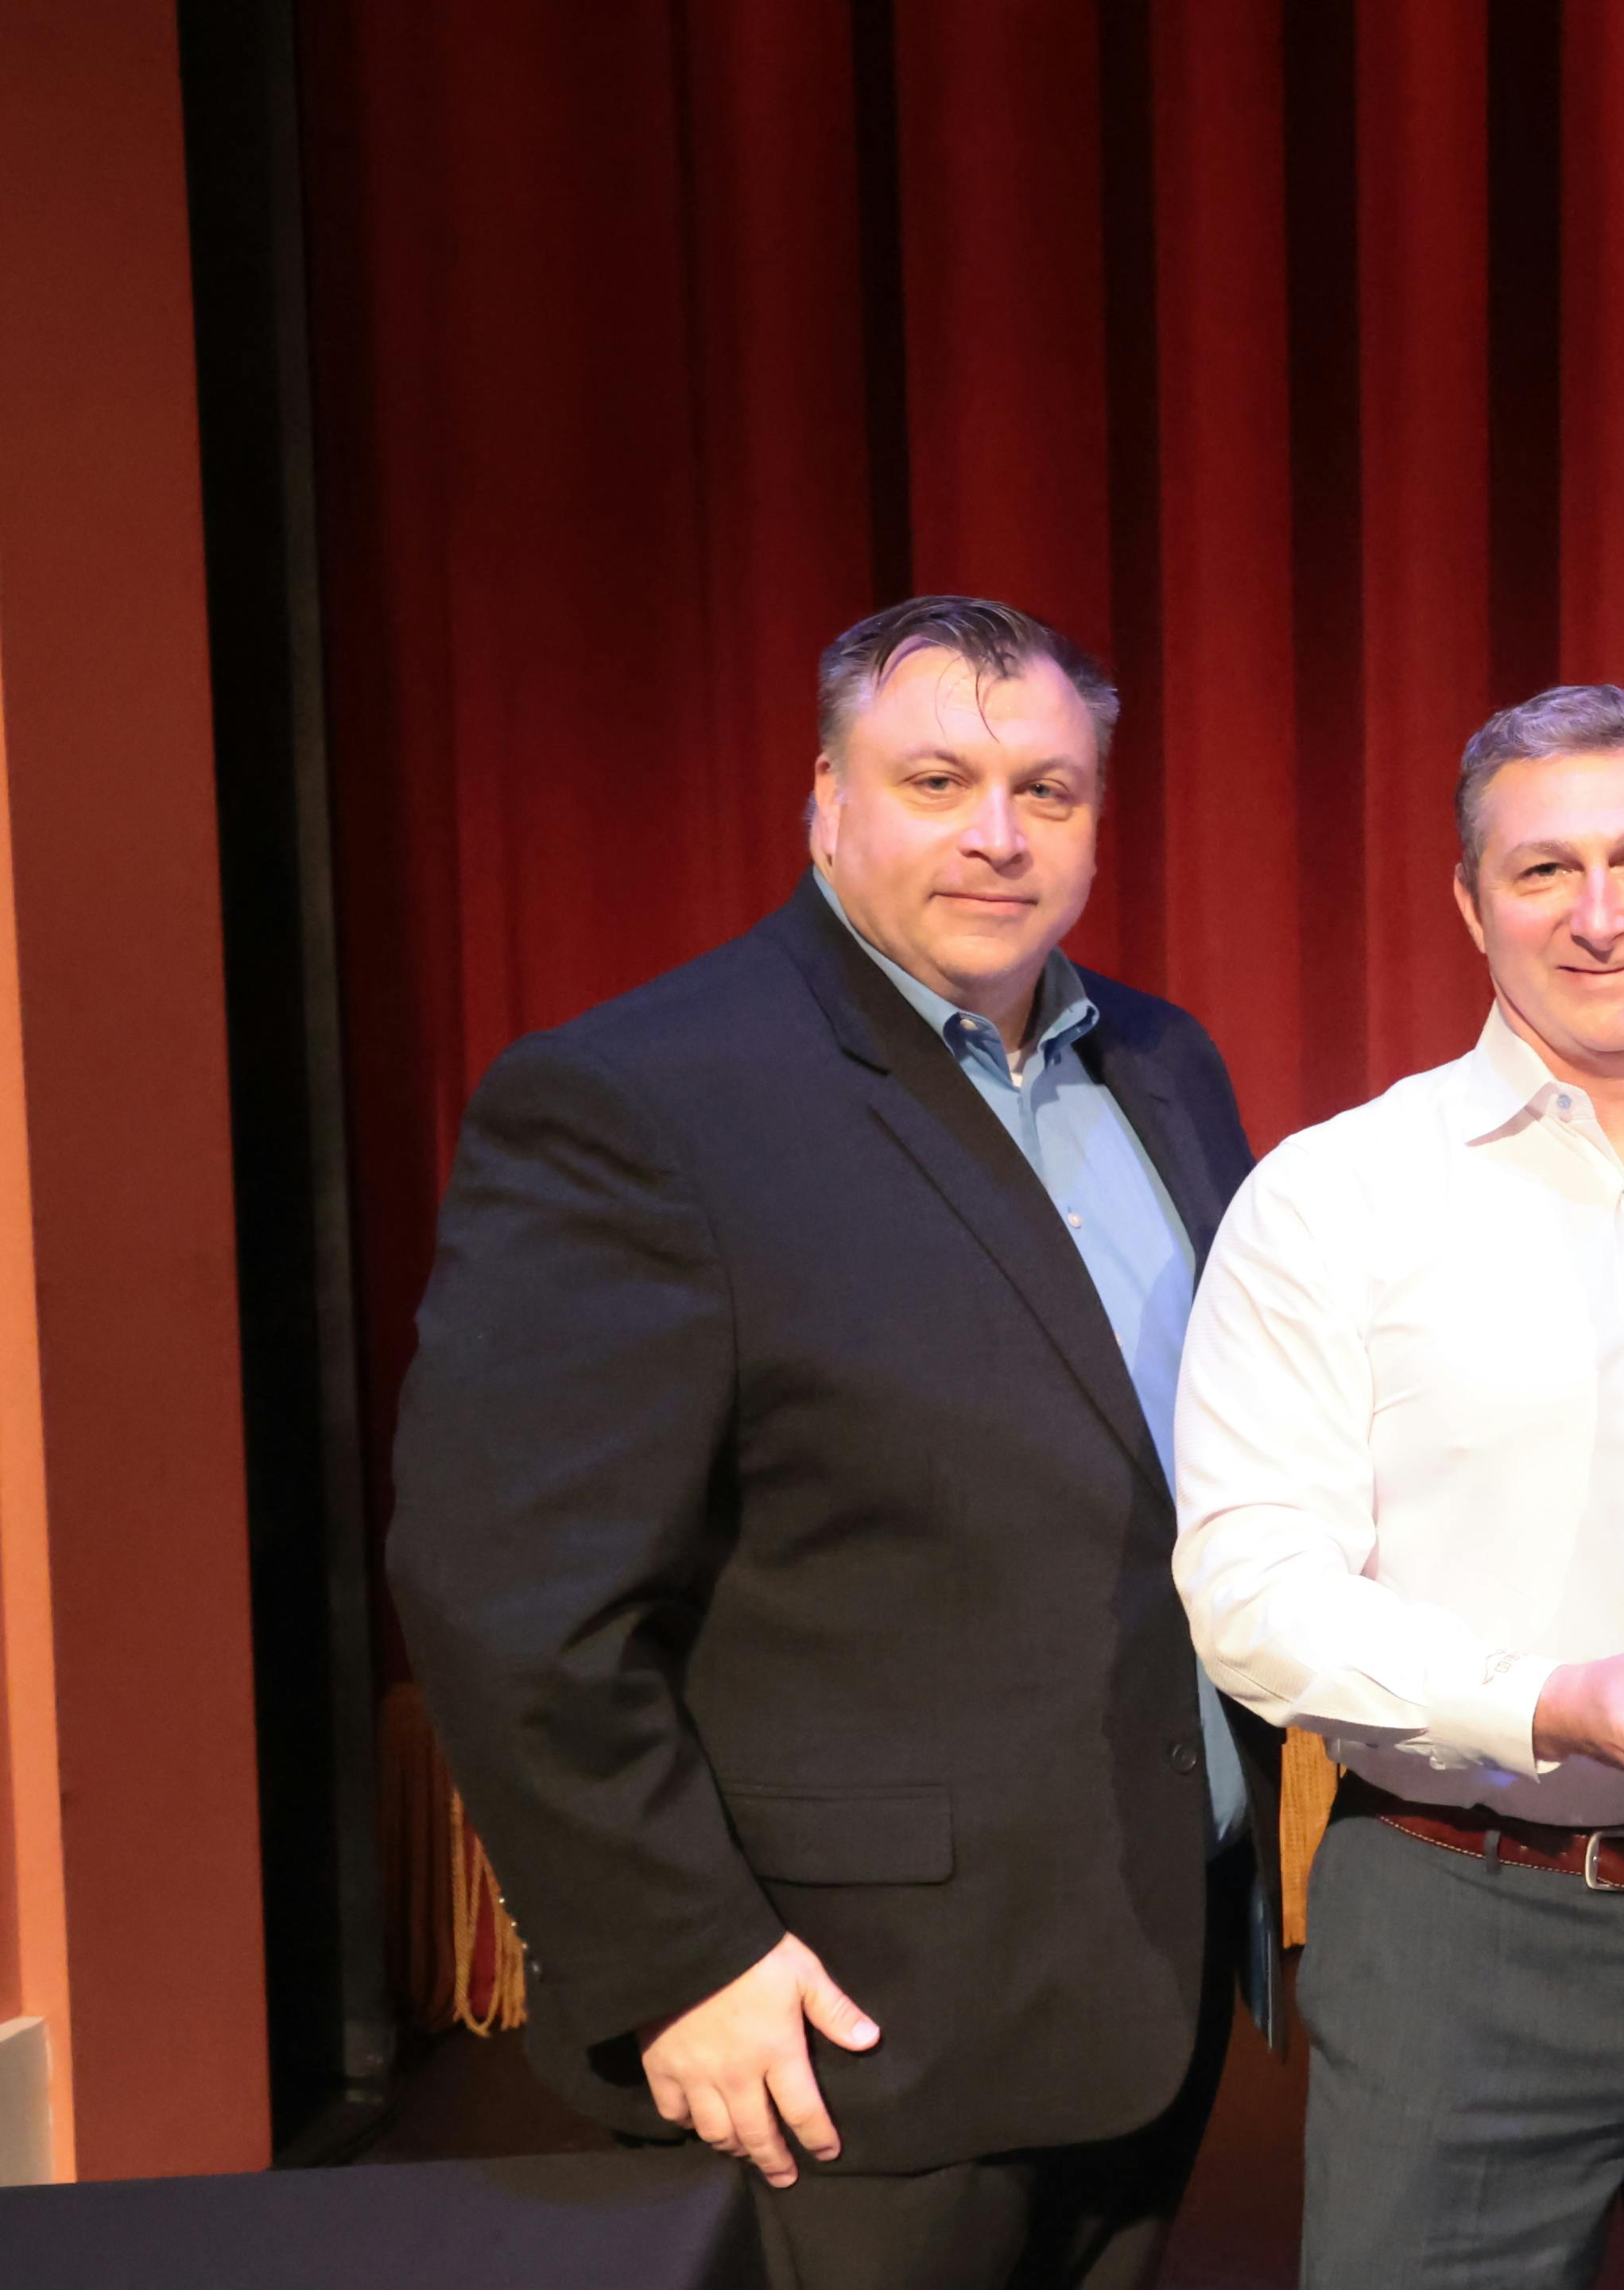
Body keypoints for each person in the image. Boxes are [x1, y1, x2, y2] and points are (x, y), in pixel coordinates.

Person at [388, 596, 1276, 2290]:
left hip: (1138, 1973)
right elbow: (509, 1597)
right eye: (936, 779)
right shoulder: (643, 1098)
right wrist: (680, 1958)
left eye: (1050, 791)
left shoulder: (1164, 1066)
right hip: (833, 2026)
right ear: (824, 800)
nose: (998, 836)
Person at [1169, 684, 1624, 2290]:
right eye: (1541, 871)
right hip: (1457, 1911)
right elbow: (1249, 1596)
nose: (1600, 917)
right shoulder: (1333, 1200)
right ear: (1468, 902)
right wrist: (1547, 1700)